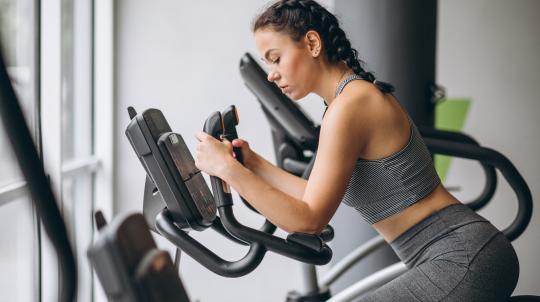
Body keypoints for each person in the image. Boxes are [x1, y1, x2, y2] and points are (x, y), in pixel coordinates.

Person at [194, 0, 519, 300]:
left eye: (276, 59)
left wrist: (227, 169)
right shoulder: (344, 103)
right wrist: (252, 163)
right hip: (456, 252)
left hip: (460, 256)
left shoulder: (350, 106)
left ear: (312, 44)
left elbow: (309, 220)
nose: (272, 74)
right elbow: (310, 196)